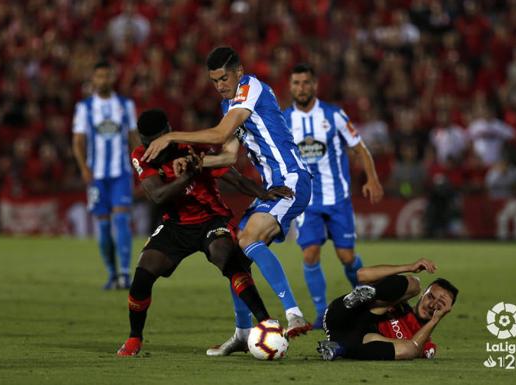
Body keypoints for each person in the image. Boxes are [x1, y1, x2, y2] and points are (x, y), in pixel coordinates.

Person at [141, 46, 314, 350]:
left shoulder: (251, 87)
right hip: (272, 183)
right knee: (236, 256)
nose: (219, 86)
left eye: (223, 78)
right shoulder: (229, 105)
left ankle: (294, 314)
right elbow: (228, 156)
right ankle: (243, 333)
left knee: (247, 238)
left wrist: (172, 136)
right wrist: (194, 164)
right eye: (214, 81)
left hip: (291, 179)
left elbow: (220, 135)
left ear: (238, 71)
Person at [117, 109, 293, 356]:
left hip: (212, 219)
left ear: (168, 132)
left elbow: (232, 177)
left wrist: (263, 192)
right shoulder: (141, 156)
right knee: (143, 274)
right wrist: (188, 176)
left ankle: (265, 322)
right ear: (144, 141)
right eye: (149, 142)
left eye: (158, 140)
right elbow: (157, 195)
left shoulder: (192, 146)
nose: (154, 146)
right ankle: (135, 338)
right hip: (176, 225)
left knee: (226, 256)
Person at [283, 63, 384, 329]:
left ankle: (368, 301)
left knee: (347, 257)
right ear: (290, 87)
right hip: (306, 200)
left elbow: (360, 148)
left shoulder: (334, 114)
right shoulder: (284, 120)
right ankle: (322, 314)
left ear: (314, 85)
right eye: (296, 83)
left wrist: (372, 178)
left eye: (306, 83)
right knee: (310, 254)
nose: (301, 88)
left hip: (337, 198)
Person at [72, 61, 140, 290]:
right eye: (99, 76)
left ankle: (124, 274)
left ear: (113, 77)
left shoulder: (124, 105)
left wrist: (141, 164)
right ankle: (112, 274)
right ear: (93, 79)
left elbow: (133, 137)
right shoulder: (85, 107)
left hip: (120, 172)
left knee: (121, 220)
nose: (103, 80)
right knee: (102, 226)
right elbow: (78, 141)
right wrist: (84, 168)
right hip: (96, 175)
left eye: (107, 75)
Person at [317, 258, 458, 360]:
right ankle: (369, 294)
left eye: (440, 305)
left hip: (350, 340)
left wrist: (435, 320)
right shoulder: (398, 300)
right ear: (423, 295)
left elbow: (415, 349)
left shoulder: (424, 341)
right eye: (431, 297)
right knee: (414, 284)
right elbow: (362, 275)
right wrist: (409, 267)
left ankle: (339, 349)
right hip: (343, 313)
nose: (432, 305)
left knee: (410, 349)